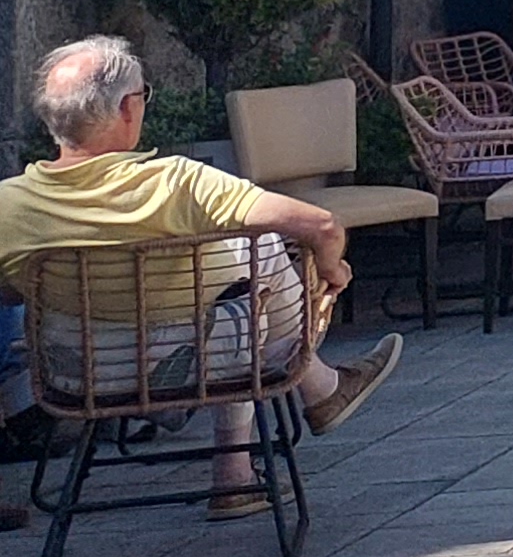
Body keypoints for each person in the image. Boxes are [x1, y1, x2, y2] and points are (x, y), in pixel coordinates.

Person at [0, 35, 401, 513]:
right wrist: (333, 270)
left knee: (236, 277)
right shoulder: (178, 182)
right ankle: (293, 412)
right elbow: (322, 226)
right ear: (128, 108)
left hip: (78, 376)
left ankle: (301, 408)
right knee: (256, 259)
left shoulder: (9, 204)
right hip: (205, 365)